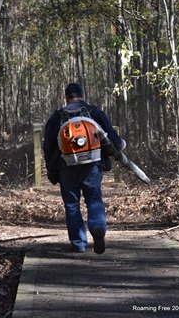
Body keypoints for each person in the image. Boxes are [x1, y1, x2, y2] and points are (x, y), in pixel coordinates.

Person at [43, 83, 126, 254]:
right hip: (92, 166)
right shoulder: (94, 113)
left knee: (72, 205)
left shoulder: (57, 117)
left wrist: (51, 169)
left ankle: (79, 243)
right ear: (83, 95)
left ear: (66, 98)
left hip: (66, 167)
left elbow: (48, 147)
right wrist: (119, 146)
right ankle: (98, 227)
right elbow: (116, 141)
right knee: (94, 200)